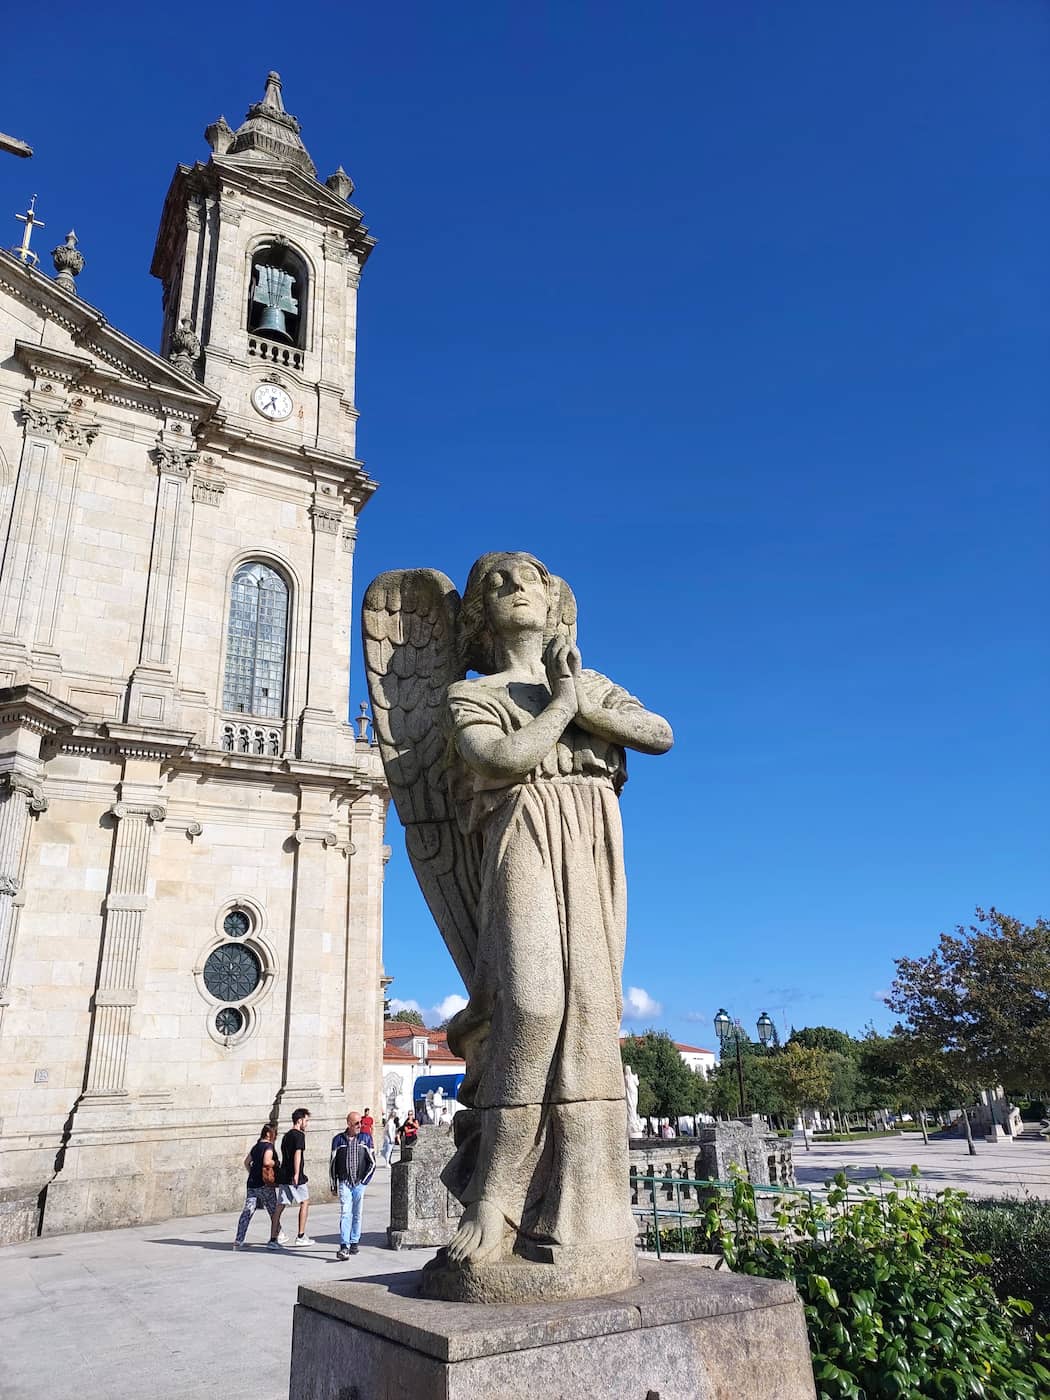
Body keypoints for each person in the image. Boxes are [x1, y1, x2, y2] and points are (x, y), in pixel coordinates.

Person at [329, 1111, 376, 1259]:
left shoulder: (365, 1139)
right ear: (349, 1123)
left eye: (360, 1123)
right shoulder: (338, 1140)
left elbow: (372, 1162)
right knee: (345, 1212)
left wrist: (364, 1181)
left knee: (357, 1214)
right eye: (356, 1123)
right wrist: (333, 1184)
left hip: (359, 1182)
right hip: (345, 1181)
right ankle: (344, 1245)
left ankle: (354, 1241)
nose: (359, 1126)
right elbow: (332, 1163)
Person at [232, 1123, 283, 1250]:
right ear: (268, 1133)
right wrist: (276, 1162)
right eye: (274, 1133)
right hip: (264, 1184)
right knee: (273, 1211)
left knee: (247, 1211)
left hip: (252, 1183)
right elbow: (267, 1162)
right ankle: (276, 1237)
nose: (275, 1136)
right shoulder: (268, 1146)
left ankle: (239, 1240)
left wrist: (252, 1172)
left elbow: (246, 1162)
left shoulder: (256, 1146)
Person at [273, 1107, 314, 1247]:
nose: (307, 1124)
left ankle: (273, 1239)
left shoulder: (286, 1136)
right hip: (294, 1176)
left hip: (284, 1174)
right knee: (305, 1202)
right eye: (306, 1120)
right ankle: (301, 1235)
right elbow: (298, 1154)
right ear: (300, 1120)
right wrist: (297, 1174)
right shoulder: (299, 1135)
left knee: (279, 1206)